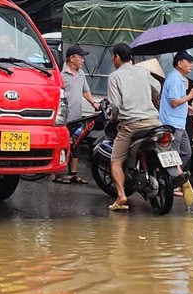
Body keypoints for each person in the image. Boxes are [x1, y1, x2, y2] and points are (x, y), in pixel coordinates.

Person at [104, 43, 160, 212]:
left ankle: (121, 195)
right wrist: (151, 101)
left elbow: (115, 106)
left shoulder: (115, 77)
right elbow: (157, 88)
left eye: (113, 56)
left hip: (131, 125)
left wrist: (112, 117)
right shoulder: (144, 72)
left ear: (117, 57)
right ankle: (180, 175)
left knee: (115, 161)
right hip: (154, 121)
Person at [159, 52, 193, 207]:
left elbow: (175, 102)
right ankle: (169, 179)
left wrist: (187, 106)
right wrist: (190, 97)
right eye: (189, 62)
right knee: (174, 155)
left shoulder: (180, 79)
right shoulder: (175, 78)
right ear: (179, 63)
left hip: (180, 123)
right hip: (172, 124)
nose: (191, 65)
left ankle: (171, 177)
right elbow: (175, 102)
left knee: (186, 152)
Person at [56, 47, 97, 183]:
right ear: (72, 58)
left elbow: (85, 91)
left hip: (76, 117)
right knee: (63, 145)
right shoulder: (61, 75)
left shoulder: (81, 74)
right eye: (81, 57)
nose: (83, 60)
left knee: (77, 144)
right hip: (63, 119)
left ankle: (73, 173)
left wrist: (93, 103)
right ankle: (58, 174)